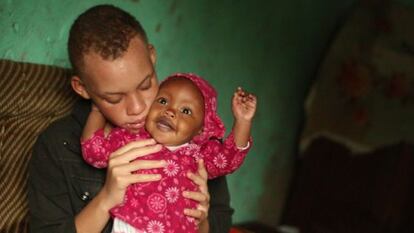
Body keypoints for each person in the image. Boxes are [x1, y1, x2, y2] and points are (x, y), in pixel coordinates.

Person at [28, 4, 233, 233]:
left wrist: (201, 223)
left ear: (152, 56)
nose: (137, 108)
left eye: (145, 85)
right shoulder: (58, 145)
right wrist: (106, 199)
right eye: (114, 98)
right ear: (82, 88)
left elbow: (222, 219)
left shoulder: (188, 132)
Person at [81, 73, 257, 233]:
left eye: (186, 111)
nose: (170, 112)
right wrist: (97, 111)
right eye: (163, 101)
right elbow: (93, 151)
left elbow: (229, 158)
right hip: (133, 225)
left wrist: (243, 121)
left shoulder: (199, 155)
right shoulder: (131, 139)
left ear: (200, 130)